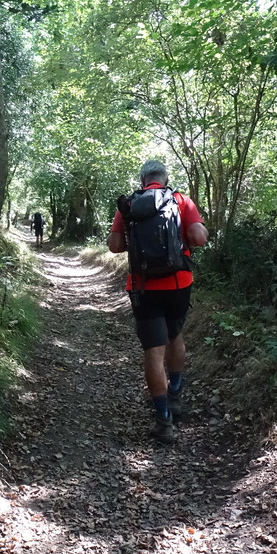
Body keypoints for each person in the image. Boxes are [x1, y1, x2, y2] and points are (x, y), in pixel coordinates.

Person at [107, 160, 208, 445]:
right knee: (175, 336)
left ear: (142, 180)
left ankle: (163, 422)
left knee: (154, 351)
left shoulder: (129, 204)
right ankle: (175, 397)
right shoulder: (181, 200)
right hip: (179, 284)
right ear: (165, 179)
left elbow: (114, 246)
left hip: (143, 287)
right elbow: (198, 238)